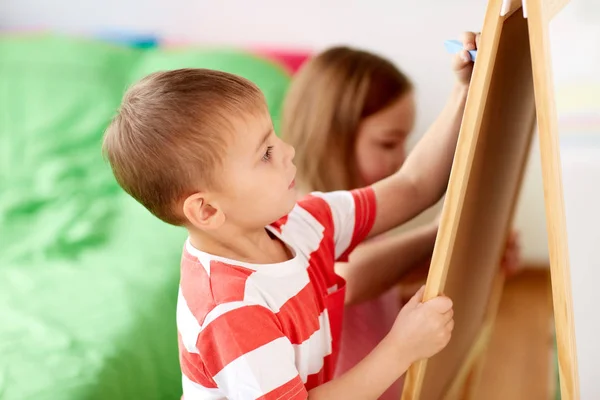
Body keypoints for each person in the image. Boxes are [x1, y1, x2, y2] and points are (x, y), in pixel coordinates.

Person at [101, 33, 477, 399]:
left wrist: (464, 91)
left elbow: (414, 186)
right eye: (265, 153)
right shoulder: (230, 311)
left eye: (274, 137)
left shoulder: (301, 223)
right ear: (208, 210)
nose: (288, 151)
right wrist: (400, 349)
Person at [282, 32, 519, 399]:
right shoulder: (295, 217)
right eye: (389, 143)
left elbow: (384, 296)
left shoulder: (363, 229)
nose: (400, 157)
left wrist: (478, 258)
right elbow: (352, 278)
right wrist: (445, 234)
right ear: (332, 137)